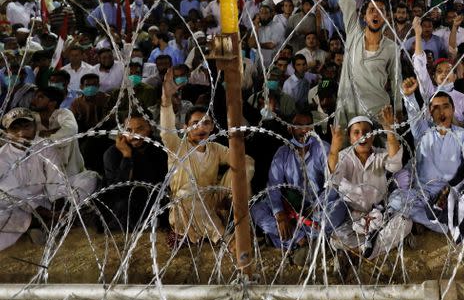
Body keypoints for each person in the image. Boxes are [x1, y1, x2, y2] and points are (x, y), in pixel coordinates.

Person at [160, 70, 254, 245]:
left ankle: (242, 222)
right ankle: (225, 238)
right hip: (186, 210)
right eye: (195, 123)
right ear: (185, 127)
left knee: (245, 166)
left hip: (211, 202)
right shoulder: (177, 147)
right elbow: (166, 131)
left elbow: (244, 161)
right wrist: (166, 102)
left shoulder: (215, 149)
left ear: (212, 128)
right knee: (186, 193)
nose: (201, 127)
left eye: (206, 123)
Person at [388, 79, 464, 239]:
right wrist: (409, 97)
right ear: (429, 112)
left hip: (450, 193)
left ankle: (431, 220)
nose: (440, 111)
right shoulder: (423, 132)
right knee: (395, 199)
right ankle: (441, 224)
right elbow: (415, 117)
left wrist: (456, 190)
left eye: (445, 106)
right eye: (435, 108)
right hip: (423, 192)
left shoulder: (462, 136)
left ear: (453, 109)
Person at [0, 108, 98, 251]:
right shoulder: (2, 157)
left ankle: (55, 221)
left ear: (35, 126)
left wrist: (57, 208)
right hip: (21, 207)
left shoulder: (45, 146)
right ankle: (38, 224)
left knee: (89, 177)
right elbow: (13, 194)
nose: (22, 133)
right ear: (7, 133)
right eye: (15, 129)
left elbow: (56, 179)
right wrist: (48, 215)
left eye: (26, 126)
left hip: (46, 200)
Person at [250, 110, 344, 260]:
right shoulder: (282, 153)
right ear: (290, 128)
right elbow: (273, 186)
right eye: (299, 126)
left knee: (339, 208)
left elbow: (333, 183)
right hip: (293, 208)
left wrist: (315, 206)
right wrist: (280, 214)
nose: (305, 130)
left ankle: (285, 240)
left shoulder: (322, 148)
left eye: (308, 125)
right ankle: (302, 239)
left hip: (318, 208)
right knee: (257, 209)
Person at [328, 107, 411, 264]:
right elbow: (333, 177)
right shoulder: (344, 156)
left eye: (366, 131)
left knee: (405, 223)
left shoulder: (379, 155)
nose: (362, 136)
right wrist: (334, 148)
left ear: (372, 136)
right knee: (336, 237)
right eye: (356, 132)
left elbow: (395, 165)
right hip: (352, 218)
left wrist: (389, 131)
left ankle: (361, 252)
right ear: (351, 138)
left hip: (379, 215)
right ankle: (372, 246)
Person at [334, 0, 401, 127]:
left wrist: (398, 110)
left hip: (379, 111)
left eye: (381, 11)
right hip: (349, 109)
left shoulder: (392, 48)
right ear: (364, 15)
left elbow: (396, 81)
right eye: (372, 10)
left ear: (386, 18)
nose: (376, 13)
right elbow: (346, 0)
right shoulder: (353, 34)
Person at [410, 17, 464, 130]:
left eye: (448, 71)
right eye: (440, 71)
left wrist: (459, 125)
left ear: (455, 76)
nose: (444, 74)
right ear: (434, 77)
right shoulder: (429, 92)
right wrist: (418, 34)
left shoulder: (463, 99)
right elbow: (420, 66)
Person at [102, 111, 168, 230]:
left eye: (140, 129)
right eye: (129, 130)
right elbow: (118, 190)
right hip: (127, 205)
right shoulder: (112, 154)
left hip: (155, 201)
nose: (134, 135)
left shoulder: (160, 147)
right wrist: (127, 156)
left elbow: (165, 181)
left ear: (150, 127)